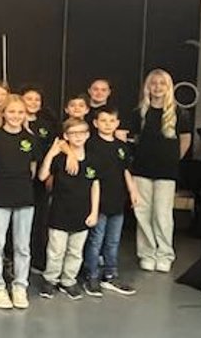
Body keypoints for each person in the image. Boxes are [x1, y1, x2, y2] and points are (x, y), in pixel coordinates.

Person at [127, 69, 192, 273]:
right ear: (148, 87)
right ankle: (147, 254)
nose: (157, 87)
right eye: (153, 83)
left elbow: (185, 140)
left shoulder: (179, 113)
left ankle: (164, 255)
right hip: (141, 170)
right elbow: (133, 139)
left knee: (162, 214)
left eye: (162, 83)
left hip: (166, 172)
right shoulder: (139, 113)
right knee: (143, 213)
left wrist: (173, 159)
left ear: (168, 87)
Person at [0, 95, 39, 310]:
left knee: (22, 246)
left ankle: (20, 285)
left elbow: (32, 169)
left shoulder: (30, 139)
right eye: (12, 111)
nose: (16, 116)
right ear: (3, 113)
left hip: (24, 197)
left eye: (20, 112)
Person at [36, 119, 99, 301]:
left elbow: (95, 186)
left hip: (82, 213)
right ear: (65, 136)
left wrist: (94, 211)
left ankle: (68, 280)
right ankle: (50, 279)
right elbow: (42, 176)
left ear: (88, 135)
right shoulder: (59, 159)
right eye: (73, 133)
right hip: (59, 213)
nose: (78, 136)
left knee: (75, 252)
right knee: (56, 250)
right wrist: (51, 153)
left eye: (82, 133)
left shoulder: (93, 159)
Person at [82, 106, 139, 297]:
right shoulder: (90, 144)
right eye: (103, 121)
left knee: (113, 241)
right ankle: (91, 275)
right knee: (96, 240)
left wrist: (133, 190)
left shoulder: (121, 146)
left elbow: (125, 170)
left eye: (112, 121)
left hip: (117, 199)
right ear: (95, 123)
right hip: (98, 200)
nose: (108, 124)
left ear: (117, 123)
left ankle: (110, 275)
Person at [21, 85, 59, 272]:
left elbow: (54, 149)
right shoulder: (15, 123)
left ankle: (37, 259)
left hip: (41, 180)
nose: (33, 102)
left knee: (39, 219)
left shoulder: (46, 124)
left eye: (37, 99)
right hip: (19, 179)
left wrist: (50, 173)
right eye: (29, 98)